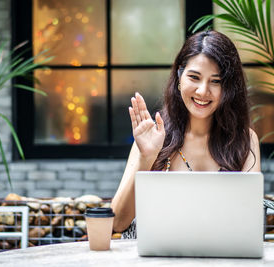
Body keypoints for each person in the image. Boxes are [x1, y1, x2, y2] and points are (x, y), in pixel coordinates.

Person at [110, 30, 261, 236]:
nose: (202, 91)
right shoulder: (153, 136)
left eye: (215, 81)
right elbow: (117, 223)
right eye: (194, 77)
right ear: (179, 78)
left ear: (229, 88)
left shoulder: (245, 139)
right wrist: (146, 159)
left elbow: (249, 223)